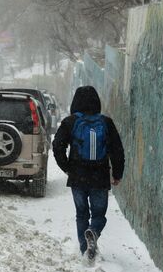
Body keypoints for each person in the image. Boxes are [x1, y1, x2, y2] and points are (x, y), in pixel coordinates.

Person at [52, 86, 125, 261]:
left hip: (78, 176)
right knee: (99, 215)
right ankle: (93, 232)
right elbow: (117, 150)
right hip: (99, 176)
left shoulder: (70, 122)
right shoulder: (106, 122)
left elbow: (57, 146)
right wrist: (117, 173)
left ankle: (86, 250)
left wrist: (67, 167)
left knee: (82, 213)